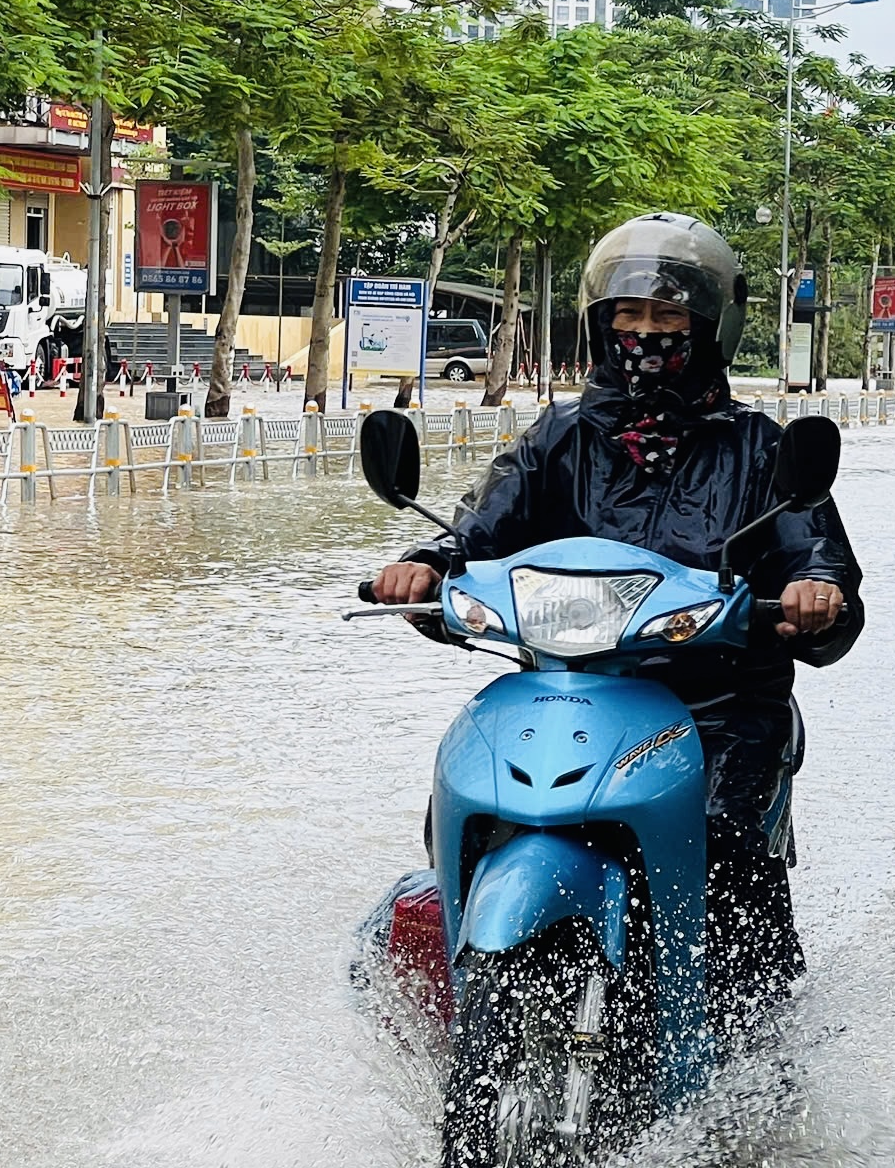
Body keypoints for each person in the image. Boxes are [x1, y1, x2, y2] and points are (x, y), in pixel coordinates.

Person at [366, 213, 863, 1038]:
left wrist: (815, 591)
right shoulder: (557, 439)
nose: (644, 332)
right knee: (463, 810)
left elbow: (815, 553)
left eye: (668, 316)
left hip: (716, 710)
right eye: (628, 314)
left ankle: (757, 1052)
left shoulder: (758, 450)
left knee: (731, 864)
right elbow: (479, 531)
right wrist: (425, 563)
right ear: (600, 323)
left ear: (711, 328)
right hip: (566, 691)